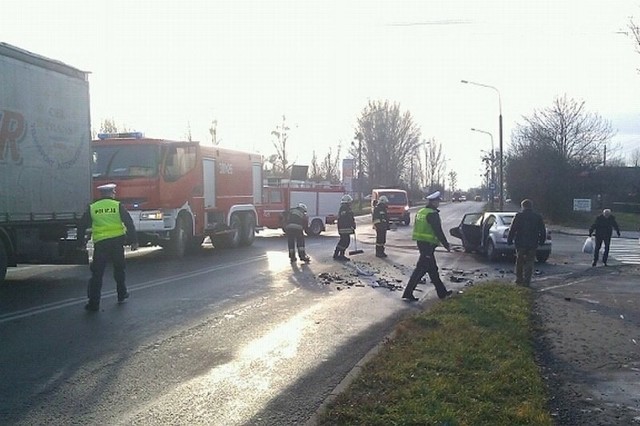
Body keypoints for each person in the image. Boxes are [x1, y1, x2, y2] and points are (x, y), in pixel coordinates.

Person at [77, 183, 138, 312]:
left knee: (97, 274)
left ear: (101, 194)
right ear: (111, 193)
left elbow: (82, 225)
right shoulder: (117, 206)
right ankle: (121, 294)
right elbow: (129, 223)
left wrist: (81, 242)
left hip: (101, 244)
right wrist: (133, 241)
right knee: (119, 269)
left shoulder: (93, 207)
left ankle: (94, 303)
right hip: (116, 243)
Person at [402, 191, 453, 301]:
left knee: (433, 270)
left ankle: (442, 293)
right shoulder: (432, 214)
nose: (438, 204)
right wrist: (446, 245)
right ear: (433, 202)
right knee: (420, 269)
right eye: (437, 202)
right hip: (428, 245)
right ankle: (408, 293)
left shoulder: (421, 211)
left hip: (421, 243)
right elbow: (438, 231)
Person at [507, 199, 546, 285]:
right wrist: (542, 241)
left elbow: (512, 229)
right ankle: (527, 280)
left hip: (520, 242)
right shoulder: (537, 216)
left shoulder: (519, 216)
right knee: (530, 261)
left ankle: (519, 279)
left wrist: (509, 240)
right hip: (533, 242)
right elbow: (542, 230)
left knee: (519, 261)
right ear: (531, 206)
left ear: (522, 206)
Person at [333, 194, 356, 261]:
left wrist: (352, 224)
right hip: (344, 228)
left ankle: (338, 254)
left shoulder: (345, 208)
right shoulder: (344, 208)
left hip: (344, 228)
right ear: (347, 202)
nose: (351, 203)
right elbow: (347, 218)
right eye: (350, 202)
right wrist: (351, 224)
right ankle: (340, 255)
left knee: (343, 241)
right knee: (345, 241)